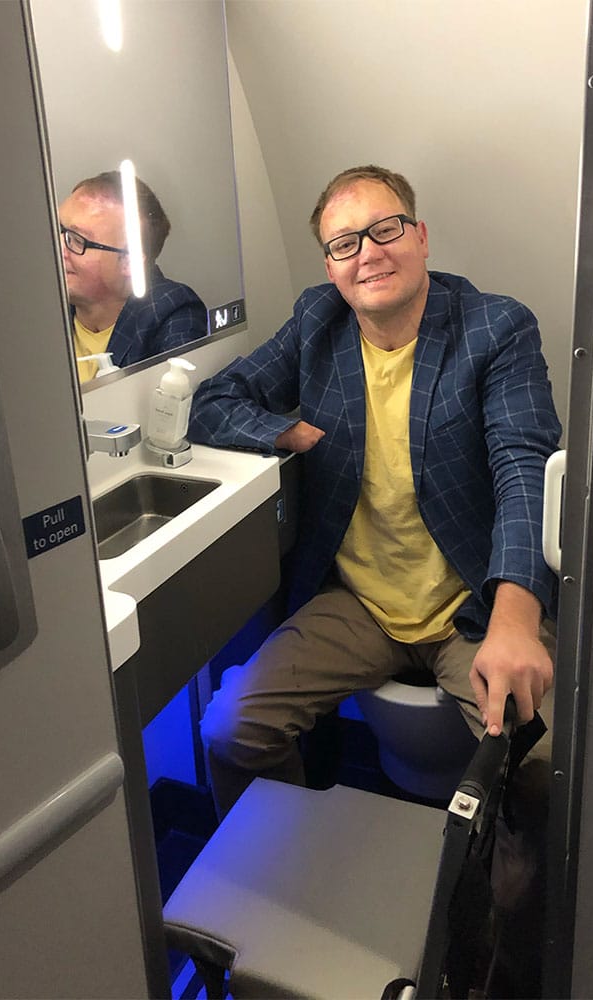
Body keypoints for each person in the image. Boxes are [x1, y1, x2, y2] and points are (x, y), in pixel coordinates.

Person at [189, 165, 561, 818]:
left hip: (466, 602)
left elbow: (521, 470)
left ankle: (502, 910)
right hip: (358, 603)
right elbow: (215, 400)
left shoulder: (494, 328)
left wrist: (514, 620)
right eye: (344, 243)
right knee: (231, 730)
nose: (368, 252)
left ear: (419, 237)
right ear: (330, 267)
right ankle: (281, 863)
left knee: (536, 771)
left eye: (384, 229)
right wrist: (280, 431)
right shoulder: (317, 321)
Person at [59, 171, 208, 382]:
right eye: (57, 229)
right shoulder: (42, 306)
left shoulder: (171, 311)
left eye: (76, 239)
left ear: (129, 262)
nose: (57, 247)